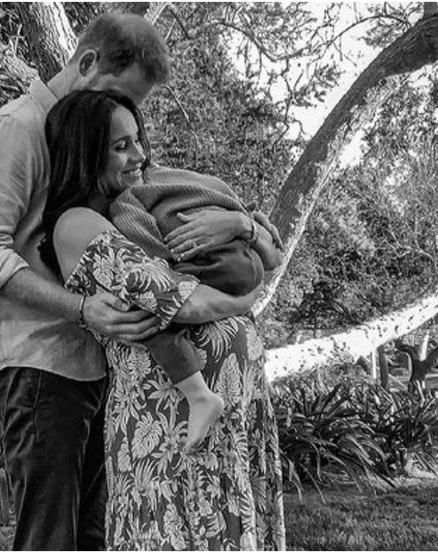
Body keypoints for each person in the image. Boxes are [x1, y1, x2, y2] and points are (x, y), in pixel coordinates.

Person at [0, 13, 171, 551]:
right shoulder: (13, 130)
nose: (121, 112)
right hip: (37, 365)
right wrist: (80, 309)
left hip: (95, 360)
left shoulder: (89, 134)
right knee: (51, 538)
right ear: (88, 62)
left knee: (94, 535)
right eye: (119, 94)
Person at [40, 89, 286, 550]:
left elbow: (266, 253)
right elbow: (182, 302)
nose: (139, 155)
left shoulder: (146, 208)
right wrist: (249, 295)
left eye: (138, 139)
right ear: (83, 154)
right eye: (121, 146)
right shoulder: (76, 224)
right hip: (168, 430)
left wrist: (241, 226)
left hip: (228, 424)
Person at [110, 166, 283, 450]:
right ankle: (255, 371)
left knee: (148, 311)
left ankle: (198, 395)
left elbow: (151, 264)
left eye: (130, 145)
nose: (135, 155)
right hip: (246, 260)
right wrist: (250, 224)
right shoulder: (192, 180)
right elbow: (271, 253)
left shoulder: (128, 199)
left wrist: (168, 267)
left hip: (215, 264)